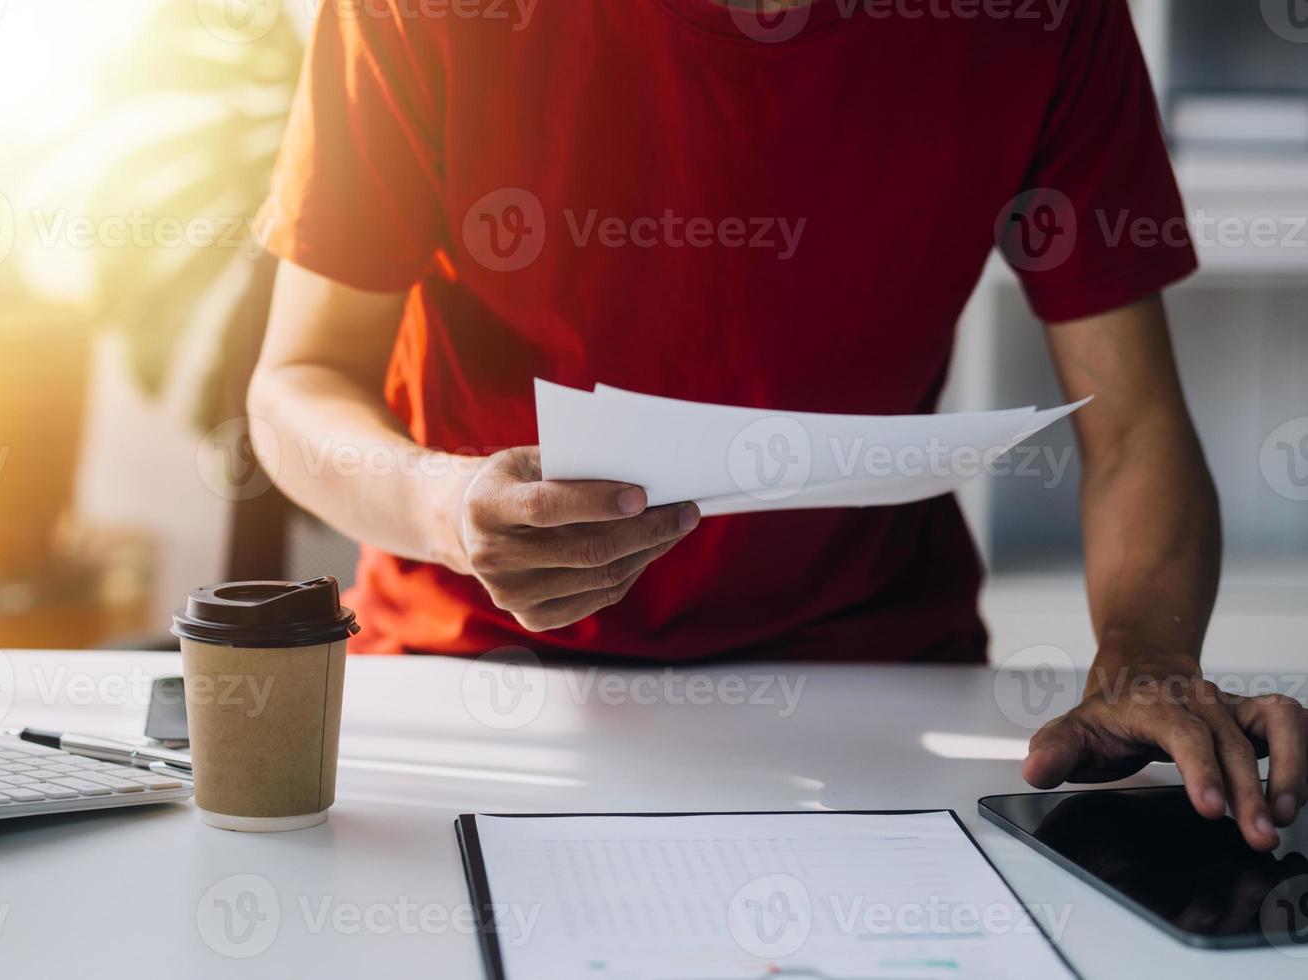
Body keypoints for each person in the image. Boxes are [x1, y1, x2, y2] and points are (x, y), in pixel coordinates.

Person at [247, 0, 1307, 851]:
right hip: (475, 669)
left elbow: (1132, 426)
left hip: (873, 683)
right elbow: (298, 385)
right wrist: (446, 504)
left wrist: (1148, 653)